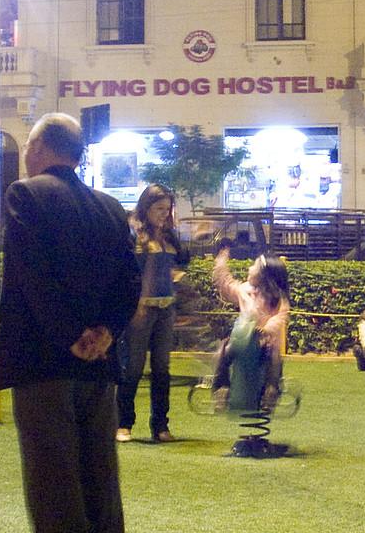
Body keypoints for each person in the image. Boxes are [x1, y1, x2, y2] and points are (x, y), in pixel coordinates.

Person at [0, 113, 142, 533]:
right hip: (99, 364)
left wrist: (69, 337)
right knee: (99, 462)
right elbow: (129, 282)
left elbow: (30, 277)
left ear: (38, 147)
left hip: (44, 361)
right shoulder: (109, 207)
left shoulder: (25, 195)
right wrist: (104, 333)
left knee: (52, 467)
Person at [117, 184, 190, 444]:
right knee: (133, 366)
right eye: (159, 209)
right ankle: (124, 423)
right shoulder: (135, 234)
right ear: (146, 208)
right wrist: (132, 305)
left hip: (165, 308)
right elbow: (127, 270)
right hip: (141, 307)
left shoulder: (168, 236)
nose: (164, 214)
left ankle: (160, 426)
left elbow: (184, 259)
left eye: (167, 209)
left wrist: (177, 229)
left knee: (162, 368)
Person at [208, 246, 289, 414]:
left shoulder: (275, 298)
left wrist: (266, 329)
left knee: (274, 356)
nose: (249, 269)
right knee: (224, 350)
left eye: (254, 267)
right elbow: (225, 283)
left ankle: (271, 390)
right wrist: (221, 262)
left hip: (263, 342)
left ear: (264, 277)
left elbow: (280, 317)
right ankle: (221, 387)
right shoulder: (244, 290)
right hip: (242, 339)